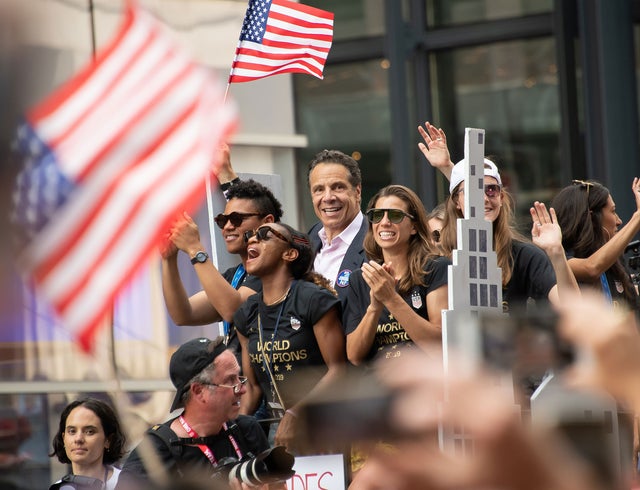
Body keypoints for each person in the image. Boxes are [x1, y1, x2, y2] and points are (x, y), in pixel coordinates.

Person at [418, 121, 579, 312]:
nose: (484, 198)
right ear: (456, 202)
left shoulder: (522, 255)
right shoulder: (440, 254)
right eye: (474, 191)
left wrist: (556, 252)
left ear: (502, 197)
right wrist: (449, 169)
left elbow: (572, 308)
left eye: (492, 190)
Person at [234, 223, 347, 452]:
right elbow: (254, 388)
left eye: (264, 235)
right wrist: (232, 428)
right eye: (250, 236)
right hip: (277, 429)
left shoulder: (313, 299)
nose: (252, 241)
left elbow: (339, 370)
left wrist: (297, 413)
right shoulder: (247, 312)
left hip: (322, 427)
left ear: (290, 253)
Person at [116, 337, 271, 489]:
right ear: (199, 391)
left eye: (240, 378)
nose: (242, 389)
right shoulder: (155, 454)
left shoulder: (247, 430)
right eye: (230, 380)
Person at [161, 172, 283, 359]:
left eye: (236, 219)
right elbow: (183, 314)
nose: (227, 227)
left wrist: (195, 249)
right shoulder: (235, 275)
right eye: (222, 220)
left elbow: (232, 310)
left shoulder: (276, 268)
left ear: (267, 222)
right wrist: (169, 259)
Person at [342, 185, 450, 366]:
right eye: (377, 215)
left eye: (395, 215)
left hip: (422, 383)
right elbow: (354, 356)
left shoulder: (436, 268)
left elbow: (438, 345)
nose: (384, 222)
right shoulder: (360, 278)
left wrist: (391, 298)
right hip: (376, 386)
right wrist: (374, 307)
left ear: (414, 226)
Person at [550, 178, 640, 311]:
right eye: (613, 211)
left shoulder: (615, 262)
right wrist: (637, 217)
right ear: (592, 218)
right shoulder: (560, 258)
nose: (619, 221)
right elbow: (592, 267)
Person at [49, 398, 126, 490]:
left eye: (89, 431)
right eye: (72, 431)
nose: (78, 439)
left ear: (108, 440)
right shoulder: (60, 488)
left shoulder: (125, 483)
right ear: (64, 439)